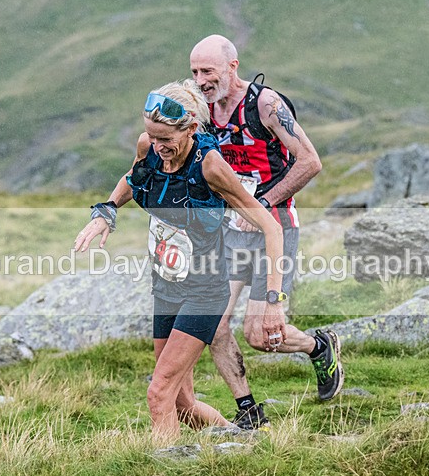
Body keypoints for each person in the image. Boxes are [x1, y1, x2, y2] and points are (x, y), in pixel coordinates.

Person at [73, 79, 288, 441]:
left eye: (166, 140)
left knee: (158, 393)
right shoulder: (150, 147)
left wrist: (272, 302)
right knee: (182, 404)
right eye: (152, 138)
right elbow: (135, 177)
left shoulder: (211, 167)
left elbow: (271, 227)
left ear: (190, 128)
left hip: (204, 292)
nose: (158, 148)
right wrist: (106, 211)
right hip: (167, 287)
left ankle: (164, 475)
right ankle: (244, 441)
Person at [190, 35, 344, 430]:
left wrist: (261, 206)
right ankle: (248, 411)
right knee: (213, 324)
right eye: (194, 72)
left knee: (259, 334)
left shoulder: (265, 105)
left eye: (208, 71)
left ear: (232, 66)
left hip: (275, 226)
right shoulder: (202, 109)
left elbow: (310, 162)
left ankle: (318, 346)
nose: (201, 79)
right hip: (229, 231)